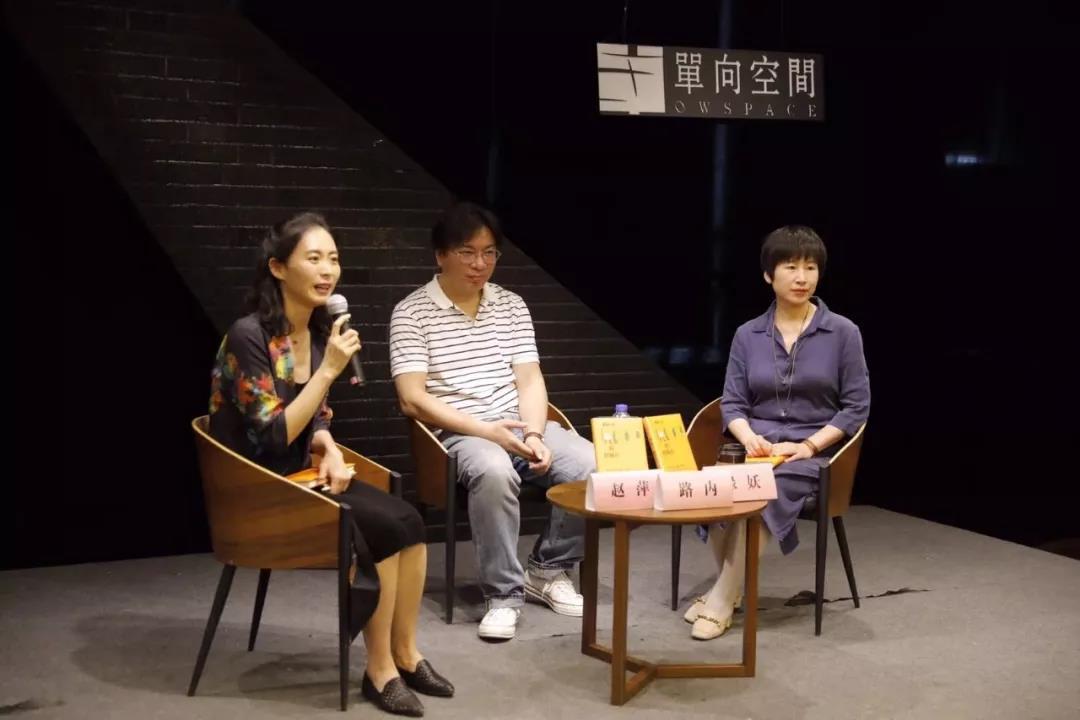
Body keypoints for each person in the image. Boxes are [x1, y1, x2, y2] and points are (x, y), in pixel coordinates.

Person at [209, 212, 452, 716]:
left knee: (409, 520)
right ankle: (379, 670)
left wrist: (331, 447)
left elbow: (313, 419)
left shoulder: (319, 333)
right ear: (278, 268)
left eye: (334, 259)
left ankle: (406, 652)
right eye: (314, 258)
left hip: (300, 475)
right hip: (258, 490)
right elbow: (272, 435)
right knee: (383, 529)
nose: (327, 271)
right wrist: (329, 371)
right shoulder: (250, 336)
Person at [389, 202, 595, 641]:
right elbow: (411, 399)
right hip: (459, 435)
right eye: (467, 252)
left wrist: (535, 433)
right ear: (440, 255)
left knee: (590, 463)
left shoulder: (511, 305)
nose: (479, 264)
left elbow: (530, 380)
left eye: (489, 253)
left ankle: (548, 568)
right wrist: (488, 432)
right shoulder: (411, 312)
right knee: (494, 467)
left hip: (519, 425)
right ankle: (503, 595)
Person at [685, 225, 870, 640]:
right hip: (756, 448)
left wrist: (808, 445)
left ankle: (721, 599)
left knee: (764, 488)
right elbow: (732, 403)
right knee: (720, 486)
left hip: (811, 456)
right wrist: (749, 438)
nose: (802, 277)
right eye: (790, 267)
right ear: (769, 274)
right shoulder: (747, 334)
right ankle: (729, 589)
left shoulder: (843, 333)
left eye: (810, 267)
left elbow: (856, 407)